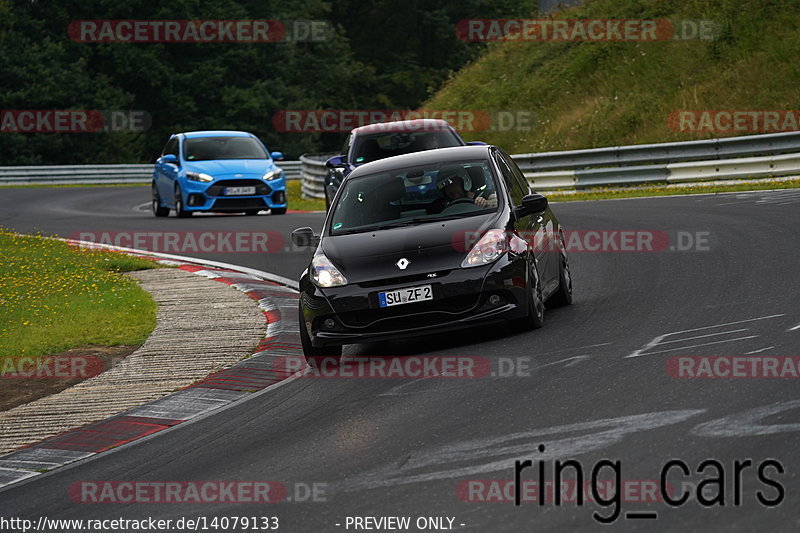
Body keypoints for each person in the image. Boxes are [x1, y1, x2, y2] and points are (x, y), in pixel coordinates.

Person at [428, 166, 497, 213]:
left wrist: (485, 203)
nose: (449, 190)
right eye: (445, 187)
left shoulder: (484, 194)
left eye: (453, 184)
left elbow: (498, 202)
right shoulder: (441, 204)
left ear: (464, 181)